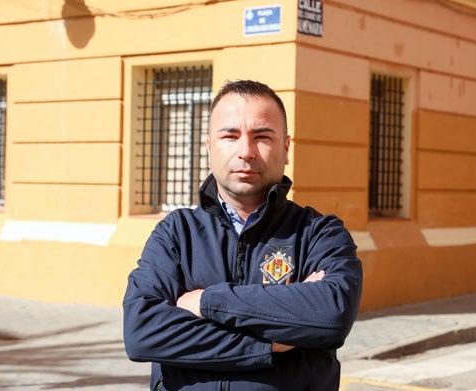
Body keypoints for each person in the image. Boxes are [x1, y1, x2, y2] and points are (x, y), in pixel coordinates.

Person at [123, 80, 363, 390]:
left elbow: (331, 316)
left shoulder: (318, 233)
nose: (246, 151)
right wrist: (269, 344)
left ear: (286, 148)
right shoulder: (176, 233)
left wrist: (206, 301)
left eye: (262, 136)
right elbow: (142, 333)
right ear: (210, 146)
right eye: (230, 136)